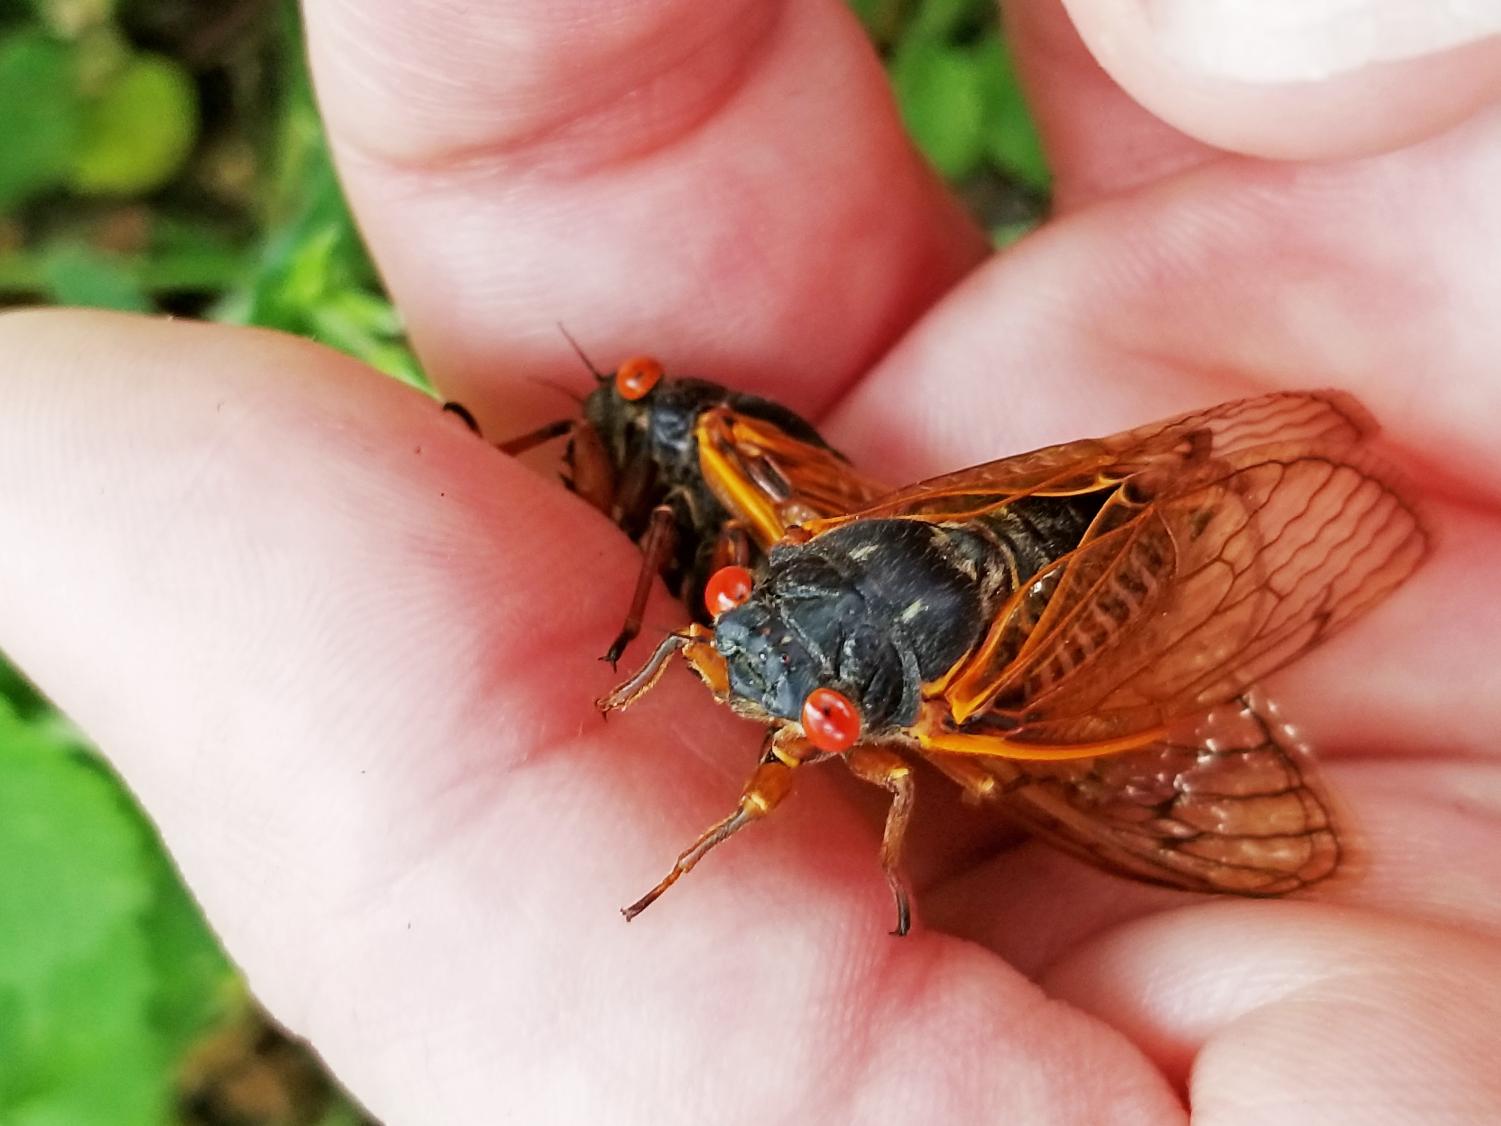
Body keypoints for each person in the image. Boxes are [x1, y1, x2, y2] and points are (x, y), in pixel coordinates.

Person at [2, 1, 1498, 1120]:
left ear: (852, 732)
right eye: (726, 607)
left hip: (1071, 621)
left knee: (1017, 755)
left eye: (817, 724)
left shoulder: (908, 734)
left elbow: (910, 773)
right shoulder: (756, 580)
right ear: (752, 573)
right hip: (978, 531)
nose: (729, 662)